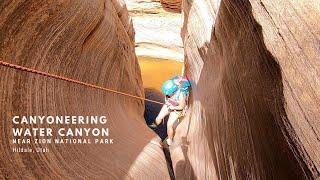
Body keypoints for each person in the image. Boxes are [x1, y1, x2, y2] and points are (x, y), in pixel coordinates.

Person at [149, 76, 191, 146]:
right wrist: (167, 102)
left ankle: (170, 140)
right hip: (169, 105)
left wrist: (173, 107)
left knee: (169, 125)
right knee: (158, 118)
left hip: (177, 110)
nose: (167, 95)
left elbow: (182, 106)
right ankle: (154, 126)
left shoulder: (181, 94)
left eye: (169, 94)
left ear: (173, 91)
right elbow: (167, 96)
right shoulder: (169, 92)